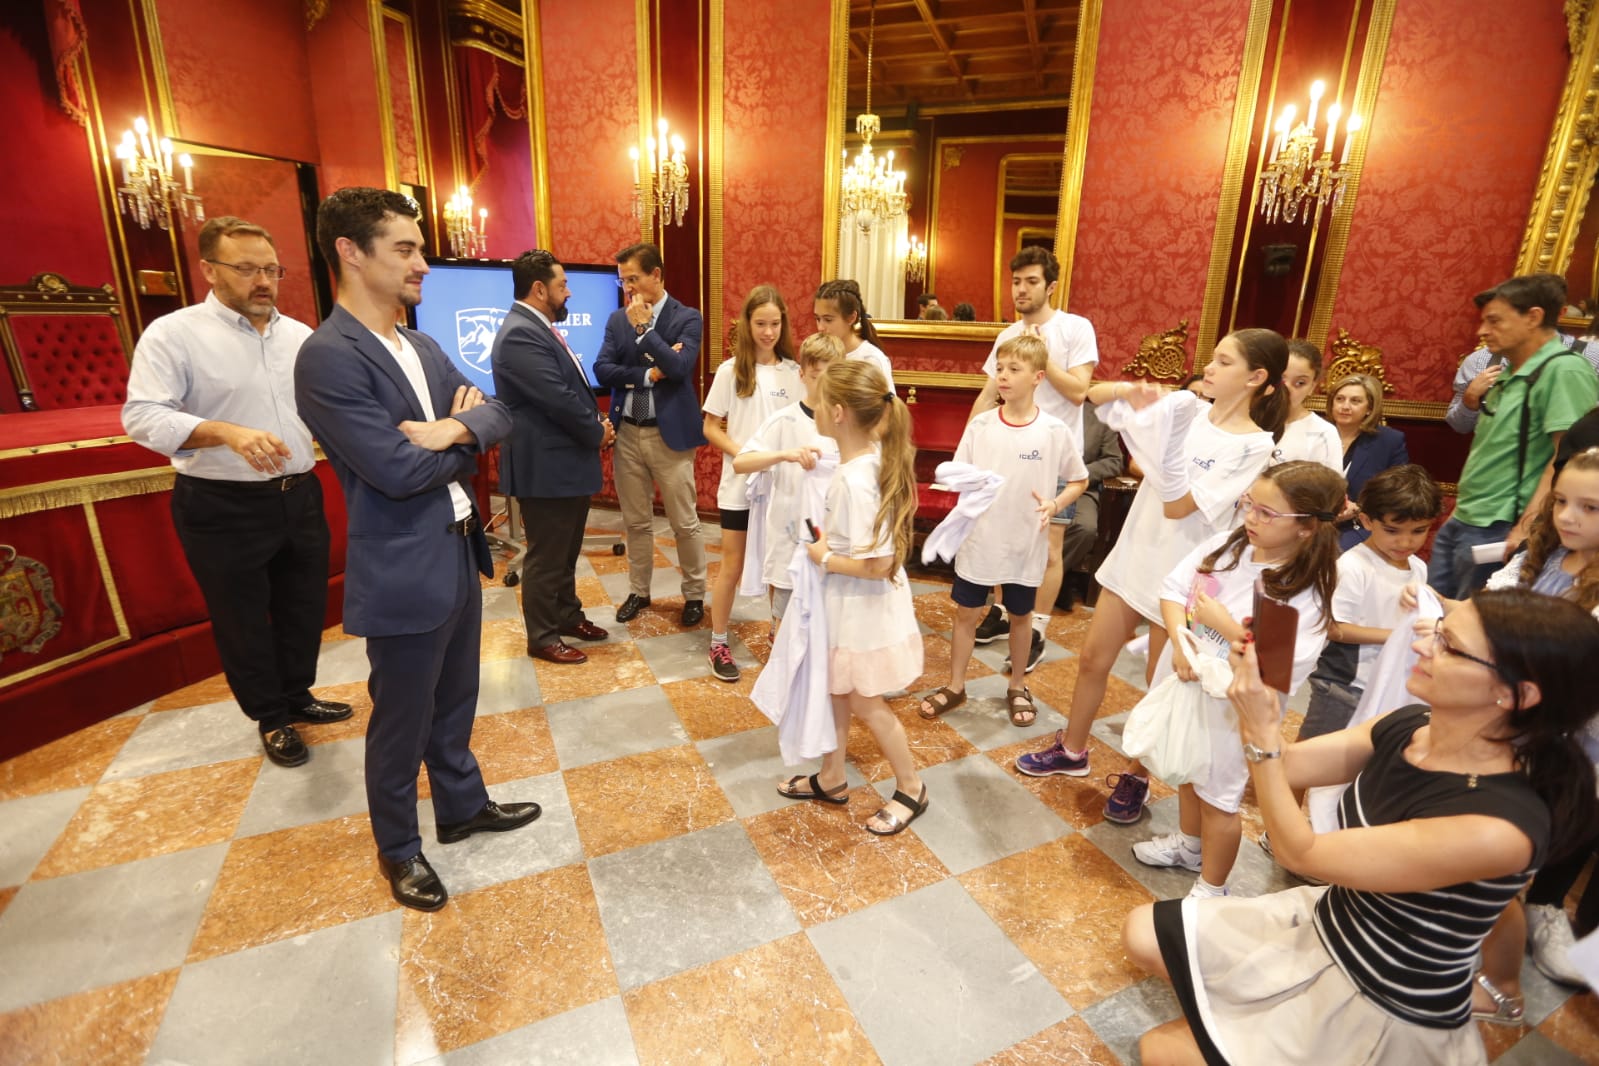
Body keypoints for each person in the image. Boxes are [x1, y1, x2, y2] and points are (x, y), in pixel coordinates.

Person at [1123, 588, 1599, 1064]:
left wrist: (1261, 734)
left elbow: (1298, 853)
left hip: (1385, 999)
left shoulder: (1498, 827)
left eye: (1448, 645)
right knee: (1142, 933)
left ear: (1515, 694)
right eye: (1436, 632)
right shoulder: (1412, 723)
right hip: (1333, 923)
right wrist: (1255, 707)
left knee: (1160, 1050)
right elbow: (1284, 768)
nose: (1420, 645)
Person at [294, 188, 538, 912]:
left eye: (420, 248)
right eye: (404, 249)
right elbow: (396, 472)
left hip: (459, 550)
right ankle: (399, 849)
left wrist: (453, 431)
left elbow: (499, 411)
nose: (423, 264)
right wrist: (466, 444)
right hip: (402, 567)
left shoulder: (422, 345)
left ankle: (461, 806)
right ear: (350, 252)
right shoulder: (327, 358)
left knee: (455, 699)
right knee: (400, 720)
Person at [1016, 329, 1288, 827]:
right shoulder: (1186, 405)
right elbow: (1091, 397)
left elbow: (1178, 504)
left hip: (1182, 577)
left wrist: (1160, 452)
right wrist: (1128, 393)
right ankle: (1073, 749)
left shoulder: (1255, 447)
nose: (1210, 366)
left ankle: (1136, 775)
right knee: (1093, 659)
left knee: (1158, 684)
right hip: (1135, 557)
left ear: (1255, 378)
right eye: (1213, 356)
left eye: (1224, 361)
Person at [122, 215, 350, 769]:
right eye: (246, 269)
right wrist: (222, 431)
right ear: (210, 270)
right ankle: (271, 718)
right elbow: (142, 415)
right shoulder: (174, 334)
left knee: (302, 607)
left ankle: (298, 695)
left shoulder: (299, 336)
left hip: (299, 494)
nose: (263, 281)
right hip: (222, 503)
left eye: (271, 269)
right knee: (243, 618)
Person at [1129, 462, 1343, 899]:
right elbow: (1173, 591)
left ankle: (1213, 887)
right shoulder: (1229, 548)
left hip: (1235, 710)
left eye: (1268, 513)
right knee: (1187, 772)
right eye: (1250, 504)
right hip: (1188, 680)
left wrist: (1226, 627)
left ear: (1306, 528)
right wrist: (1183, 646)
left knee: (1218, 798)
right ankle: (1190, 848)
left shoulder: (1302, 591)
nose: (1251, 518)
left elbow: (1277, 669)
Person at [773, 360, 927, 835]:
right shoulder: (862, 463)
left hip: (863, 610)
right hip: (848, 606)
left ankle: (912, 786)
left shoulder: (854, 479)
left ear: (838, 412)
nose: (813, 408)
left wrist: (822, 556)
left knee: (865, 702)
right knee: (837, 691)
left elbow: (879, 566)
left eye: (818, 401)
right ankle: (832, 775)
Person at [1466, 446, 1599, 994]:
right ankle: (1482, 918)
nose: (1567, 517)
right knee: (1502, 833)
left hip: (1575, 737)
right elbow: (1491, 611)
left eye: (1590, 508)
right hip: (1517, 724)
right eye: (1562, 502)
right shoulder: (1541, 557)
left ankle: (1542, 912)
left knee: (1559, 832)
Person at [918, 333, 1088, 727]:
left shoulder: (1052, 431)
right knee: (966, 613)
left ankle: (1015, 686)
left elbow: (1077, 480)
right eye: (1000, 368)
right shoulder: (980, 426)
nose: (1004, 376)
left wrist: (1055, 504)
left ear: (1038, 377)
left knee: (1020, 615)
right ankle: (956, 685)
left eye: (1015, 369)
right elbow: (957, 474)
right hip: (980, 541)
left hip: (1024, 544)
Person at [967, 247, 1100, 671]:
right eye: (1016, 282)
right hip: (1007, 454)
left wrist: (1046, 357)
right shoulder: (1007, 335)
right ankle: (1006, 615)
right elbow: (990, 393)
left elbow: (1079, 391)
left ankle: (1037, 628)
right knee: (1008, 537)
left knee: (1047, 549)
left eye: (1031, 282)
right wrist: (970, 447)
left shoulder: (1076, 328)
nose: (1021, 290)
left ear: (1051, 286)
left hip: (1056, 459)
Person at [1429, 273, 1599, 598]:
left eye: (1494, 321)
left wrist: (1524, 527)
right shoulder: (1509, 371)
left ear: (1534, 317)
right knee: (1431, 618)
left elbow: (1568, 460)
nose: (1482, 331)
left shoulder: (1564, 371)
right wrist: (1460, 510)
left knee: (1472, 632)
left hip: (1503, 525)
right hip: (1468, 518)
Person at [490, 249, 614, 666]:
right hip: (545, 467)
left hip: (563, 464)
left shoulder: (536, 327)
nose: (569, 292)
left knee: (564, 551)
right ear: (539, 289)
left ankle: (566, 615)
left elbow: (566, 391)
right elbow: (556, 399)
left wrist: (594, 423)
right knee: (546, 556)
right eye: (562, 285)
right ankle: (542, 636)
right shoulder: (520, 333)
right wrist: (596, 429)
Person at [594, 242, 709, 627]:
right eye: (624, 280)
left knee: (684, 522)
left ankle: (693, 594)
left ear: (656, 275)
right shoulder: (615, 320)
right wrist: (645, 374)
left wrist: (644, 330)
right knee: (636, 521)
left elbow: (679, 367)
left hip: (670, 435)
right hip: (628, 432)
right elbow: (603, 369)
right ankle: (638, 591)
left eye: (634, 278)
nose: (629, 288)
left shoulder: (687, 318)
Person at [701, 284, 802, 681]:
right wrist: (742, 452)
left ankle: (780, 635)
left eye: (775, 324)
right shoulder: (731, 371)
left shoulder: (793, 372)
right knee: (733, 564)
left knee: (780, 564)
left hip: (782, 486)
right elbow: (710, 426)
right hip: (740, 485)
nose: (768, 332)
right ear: (747, 324)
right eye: (760, 323)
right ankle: (718, 641)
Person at [734, 332, 843, 627]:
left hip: (833, 537)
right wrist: (784, 455)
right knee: (785, 621)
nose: (825, 383)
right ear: (803, 373)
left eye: (833, 375)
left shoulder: (848, 422)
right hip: (788, 535)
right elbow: (741, 463)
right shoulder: (784, 421)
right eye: (818, 375)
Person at [1328, 372, 1409, 550]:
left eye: (1355, 401)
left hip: (1357, 524)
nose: (1345, 406)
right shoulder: (1317, 433)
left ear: (1370, 408)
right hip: (1312, 522)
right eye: (1340, 399)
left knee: (1336, 555)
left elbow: (1397, 492)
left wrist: (1358, 509)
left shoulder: (1388, 441)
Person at [1056, 400, 1123, 611]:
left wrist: (1079, 473)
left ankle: (1050, 577)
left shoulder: (1100, 415)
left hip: (1081, 486)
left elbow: (1114, 461)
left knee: (1084, 528)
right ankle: (1057, 581)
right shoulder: (1036, 406)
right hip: (1035, 483)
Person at [814, 279, 894, 394]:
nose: (820, 327)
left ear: (851, 318)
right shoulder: (817, 355)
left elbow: (889, 409)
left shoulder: (872, 360)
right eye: (817, 319)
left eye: (828, 320)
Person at [1275, 339, 1341, 471]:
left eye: (1300, 383)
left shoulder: (1322, 433)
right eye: (1281, 378)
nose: (1287, 389)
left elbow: (1328, 488)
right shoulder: (1244, 417)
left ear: (1312, 386)